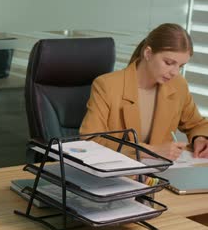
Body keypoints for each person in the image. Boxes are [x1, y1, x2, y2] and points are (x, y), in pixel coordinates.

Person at [80, 23, 208, 160]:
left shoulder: (178, 85)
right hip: (118, 173)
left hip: (159, 174)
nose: (175, 72)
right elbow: (91, 139)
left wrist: (199, 139)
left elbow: (196, 124)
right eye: (169, 63)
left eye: (181, 66)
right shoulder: (108, 85)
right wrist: (150, 151)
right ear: (148, 53)